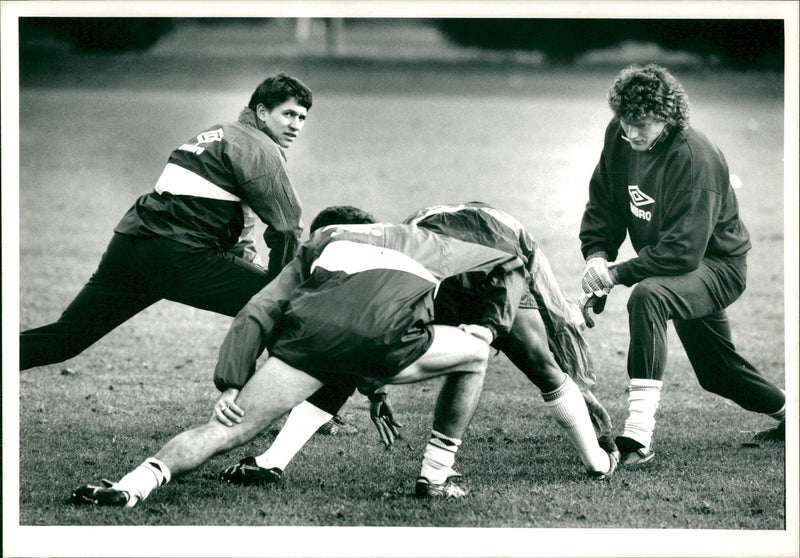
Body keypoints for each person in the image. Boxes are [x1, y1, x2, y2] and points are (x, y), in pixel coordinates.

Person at [71, 218, 528, 506]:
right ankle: (435, 475)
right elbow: (511, 260)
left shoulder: (322, 242)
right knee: (474, 357)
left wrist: (231, 382)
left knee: (224, 430)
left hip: (309, 340)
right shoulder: (426, 239)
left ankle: (131, 486)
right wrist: (491, 326)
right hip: (386, 342)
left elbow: (258, 309)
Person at [218, 203, 617, 487]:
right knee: (543, 365)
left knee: (340, 358)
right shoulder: (401, 234)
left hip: (480, 267)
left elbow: (366, 333)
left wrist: (375, 385)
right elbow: (527, 281)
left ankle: (272, 461)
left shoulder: (380, 249)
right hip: (493, 265)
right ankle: (597, 462)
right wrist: (497, 328)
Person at [20, 73, 310, 369]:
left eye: (302, 117)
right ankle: (301, 408)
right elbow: (287, 227)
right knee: (286, 311)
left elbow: (229, 218)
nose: (296, 125)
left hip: (130, 245)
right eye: (288, 114)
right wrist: (279, 286)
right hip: (179, 257)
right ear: (262, 112)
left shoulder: (217, 133)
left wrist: (254, 268)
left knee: (65, 338)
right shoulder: (259, 147)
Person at [578, 64, 786, 466]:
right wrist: (597, 256)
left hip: (716, 265)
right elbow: (604, 200)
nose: (633, 133)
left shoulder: (695, 158)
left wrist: (617, 275)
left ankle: (637, 438)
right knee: (718, 373)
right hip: (668, 261)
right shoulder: (620, 136)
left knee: (648, 296)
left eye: (645, 124)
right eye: (626, 122)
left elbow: (684, 252)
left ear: (668, 118)